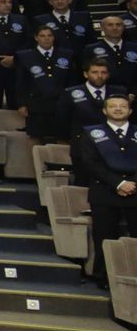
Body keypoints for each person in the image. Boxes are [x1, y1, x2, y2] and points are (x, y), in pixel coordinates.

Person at [71, 94, 137, 287]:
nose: (118, 109)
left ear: (130, 111)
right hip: (104, 193)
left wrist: (132, 183)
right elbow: (90, 164)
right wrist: (118, 184)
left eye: (123, 106)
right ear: (104, 111)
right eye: (113, 106)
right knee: (104, 237)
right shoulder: (91, 133)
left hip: (135, 192)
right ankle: (104, 278)